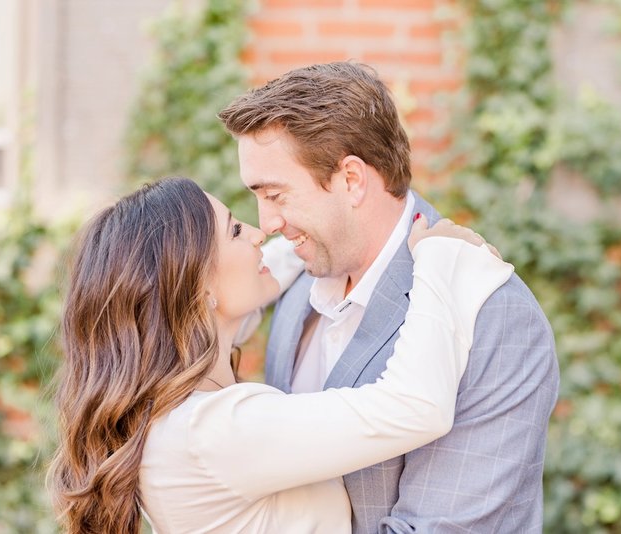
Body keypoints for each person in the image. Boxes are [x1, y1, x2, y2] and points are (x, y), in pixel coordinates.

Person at [47, 177, 511, 534]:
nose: (257, 231)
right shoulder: (215, 433)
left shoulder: (170, 417)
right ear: (198, 289)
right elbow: (415, 408)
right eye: (234, 230)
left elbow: (243, 296)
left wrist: (306, 244)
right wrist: (439, 261)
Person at [218, 61, 560, 533]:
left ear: (352, 180)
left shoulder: (495, 317)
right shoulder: (300, 279)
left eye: (276, 195)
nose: (268, 223)